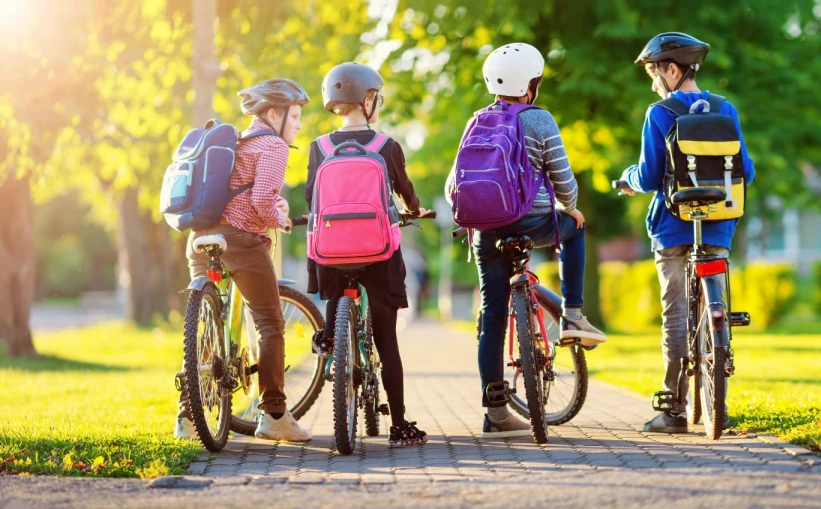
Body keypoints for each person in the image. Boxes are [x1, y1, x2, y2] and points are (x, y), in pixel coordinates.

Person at [444, 43, 607, 438]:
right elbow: (564, 181)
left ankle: (495, 413)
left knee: (493, 318)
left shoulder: (476, 120)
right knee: (576, 229)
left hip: (485, 230)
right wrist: (571, 208)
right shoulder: (540, 120)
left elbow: (453, 185)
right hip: (532, 222)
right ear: (532, 83)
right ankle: (573, 312)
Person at [618, 33, 756, 433]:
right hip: (718, 225)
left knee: (675, 314)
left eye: (654, 73)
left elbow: (646, 176)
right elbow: (746, 171)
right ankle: (719, 397)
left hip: (673, 227)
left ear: (672, 70)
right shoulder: (726, 109)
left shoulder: (660, 113)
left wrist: (626, 180)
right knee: (717, 304)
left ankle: (674, 409)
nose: (653, 83)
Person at [176, 78, 313, 442]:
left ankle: (188, 418)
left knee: (207, 323)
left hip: (202, 238)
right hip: (240, 241)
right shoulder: (273, 145)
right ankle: (274, 415)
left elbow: (242, 192)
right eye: (296, 116)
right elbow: (260, 203)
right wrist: (280, 218)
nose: (299, 124)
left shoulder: (238, 141)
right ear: (273, 114)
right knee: (270, 323)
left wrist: (272, 207)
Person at [306, 62, 431, 447]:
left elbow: (313, 196)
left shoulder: (319, 147)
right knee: (386, 341)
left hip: (330, 251)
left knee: (334, 280)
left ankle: (329, 337)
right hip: (378, 253)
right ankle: (400, 426)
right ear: (368, 99)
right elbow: (405, 192)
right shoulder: (386, 146)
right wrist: (415, 209)